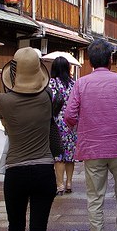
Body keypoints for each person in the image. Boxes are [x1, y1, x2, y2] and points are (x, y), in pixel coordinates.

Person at [64, 39, 117, 231]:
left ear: (89, 60)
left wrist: (83, 125)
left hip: (92, 147)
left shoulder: (81, 83)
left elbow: (69, 116)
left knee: (95, 197)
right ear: (111, 59)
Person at [0, 48, 57, 231]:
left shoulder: (4, 102)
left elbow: (6, 124)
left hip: (16, 170)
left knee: (16, 225)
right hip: (45, 170)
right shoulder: (47, 98)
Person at [48, 56, 77, 195]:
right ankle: (69, 183)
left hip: (56, 123)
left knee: (58, 154)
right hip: (71, 123)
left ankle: (59, 184)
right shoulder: (73, 84)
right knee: (70, 154)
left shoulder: (51, 83)